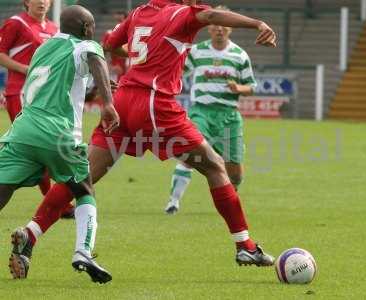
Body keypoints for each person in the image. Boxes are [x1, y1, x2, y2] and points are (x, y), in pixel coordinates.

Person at [10, 0, 277, 279]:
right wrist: (257, 23)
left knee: (82, 175)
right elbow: (211, 14)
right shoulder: (182, 13)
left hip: (123, 100)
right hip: (154, 103)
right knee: (213, 166)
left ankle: (31, 233)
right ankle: (244, 245)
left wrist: (140, 62)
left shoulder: (139, 12)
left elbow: (110, 44)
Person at [0, 5, 119, 283]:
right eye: (91, 26)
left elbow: (65, 80)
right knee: (84, 188)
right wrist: (108, 104)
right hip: (58, 133)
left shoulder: (44, 47)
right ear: (87, 28)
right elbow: (95, 59)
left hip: (22, 130)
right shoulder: (86, 44)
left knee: (3, 188)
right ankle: (83, 251)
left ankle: (29, 238)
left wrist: (97, 87)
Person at [165, 5, 257, 214]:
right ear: (209, 27)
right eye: (215, 24)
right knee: (189, 154)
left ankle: (229, 202)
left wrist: (238, 87)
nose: (219, 29)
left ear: (230, 29)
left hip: (229, 115)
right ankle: (173, 202)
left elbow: (252, 86)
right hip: (201, 112)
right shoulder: (197, 52)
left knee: (235, 172)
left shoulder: (239, 55)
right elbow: (177, 73)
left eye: (224, 25)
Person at [0, 0, 75, 218]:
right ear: (26, 2)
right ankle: (59, 204)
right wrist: (24, 68)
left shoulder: (54, 29)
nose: (42, 2)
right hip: (20, 93)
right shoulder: (16, 23)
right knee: (37, 146)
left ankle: (57, 202)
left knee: (37, 148)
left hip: (47, 97)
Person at [102, 11, 128, 83]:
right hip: (117, 71)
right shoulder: (110, 33)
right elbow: (103, 51)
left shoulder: (133, 33)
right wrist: (110, 67)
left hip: (131, 70)